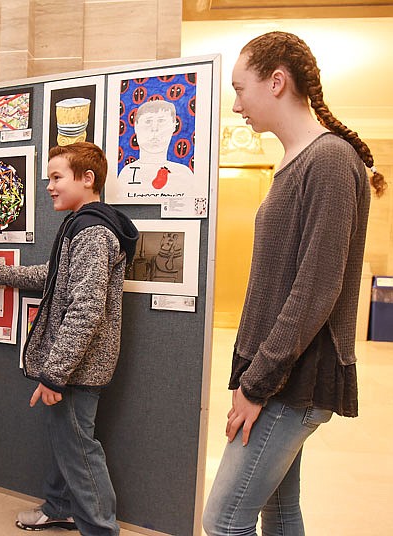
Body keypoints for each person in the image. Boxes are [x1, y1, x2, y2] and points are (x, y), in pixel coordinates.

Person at [202, 31, 387, 536]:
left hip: (292, 380)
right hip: (279, 375)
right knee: (279, 513)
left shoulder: (328, 160)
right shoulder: (296, 160)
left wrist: (257, 384)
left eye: (241, 89)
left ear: (276, 82)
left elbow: (313, 291)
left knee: (222, 521)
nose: (237, 105)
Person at [0, 142, 138, 535]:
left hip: (77, 367)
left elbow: (86, 309)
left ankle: (101, 530)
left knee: (80, 451)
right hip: (76, 363)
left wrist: (55, 374)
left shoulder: (91, 232)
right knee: (67, 441)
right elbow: (56, 276)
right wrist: (4, 275)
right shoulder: (82, 225)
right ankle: (60, 507)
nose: (50, 187)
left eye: (57, 177)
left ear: (87, 179)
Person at [116, 100, 194, 200]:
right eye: (148, 121)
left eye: (161, 121)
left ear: (174, 125)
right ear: (136, 126)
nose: (154, 128)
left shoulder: (184, 175)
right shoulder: (126, 174)